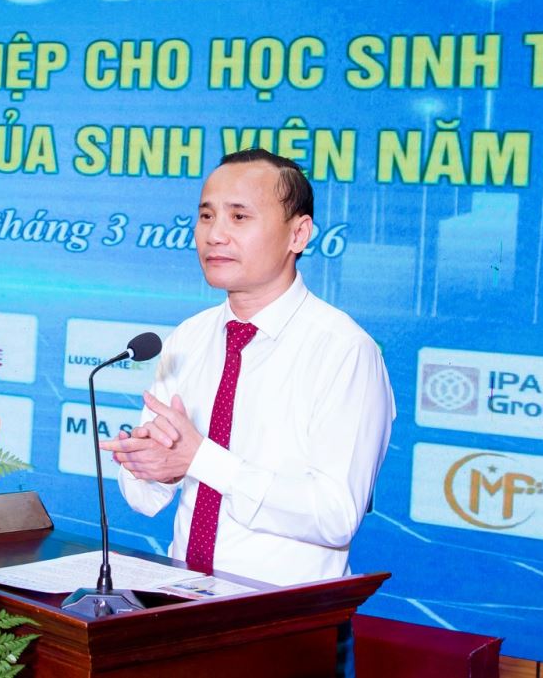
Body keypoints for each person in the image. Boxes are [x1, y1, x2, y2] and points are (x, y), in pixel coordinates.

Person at [99, 149, 395, 594]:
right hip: (180, 601)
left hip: (283, 619)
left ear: (298, 233)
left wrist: (202, 459)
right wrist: (152, 466)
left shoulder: (343, 351)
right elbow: (145, 500)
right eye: (206, 216)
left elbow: (336, 516)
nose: (215, 235)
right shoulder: (189, 337)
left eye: (239, 217)